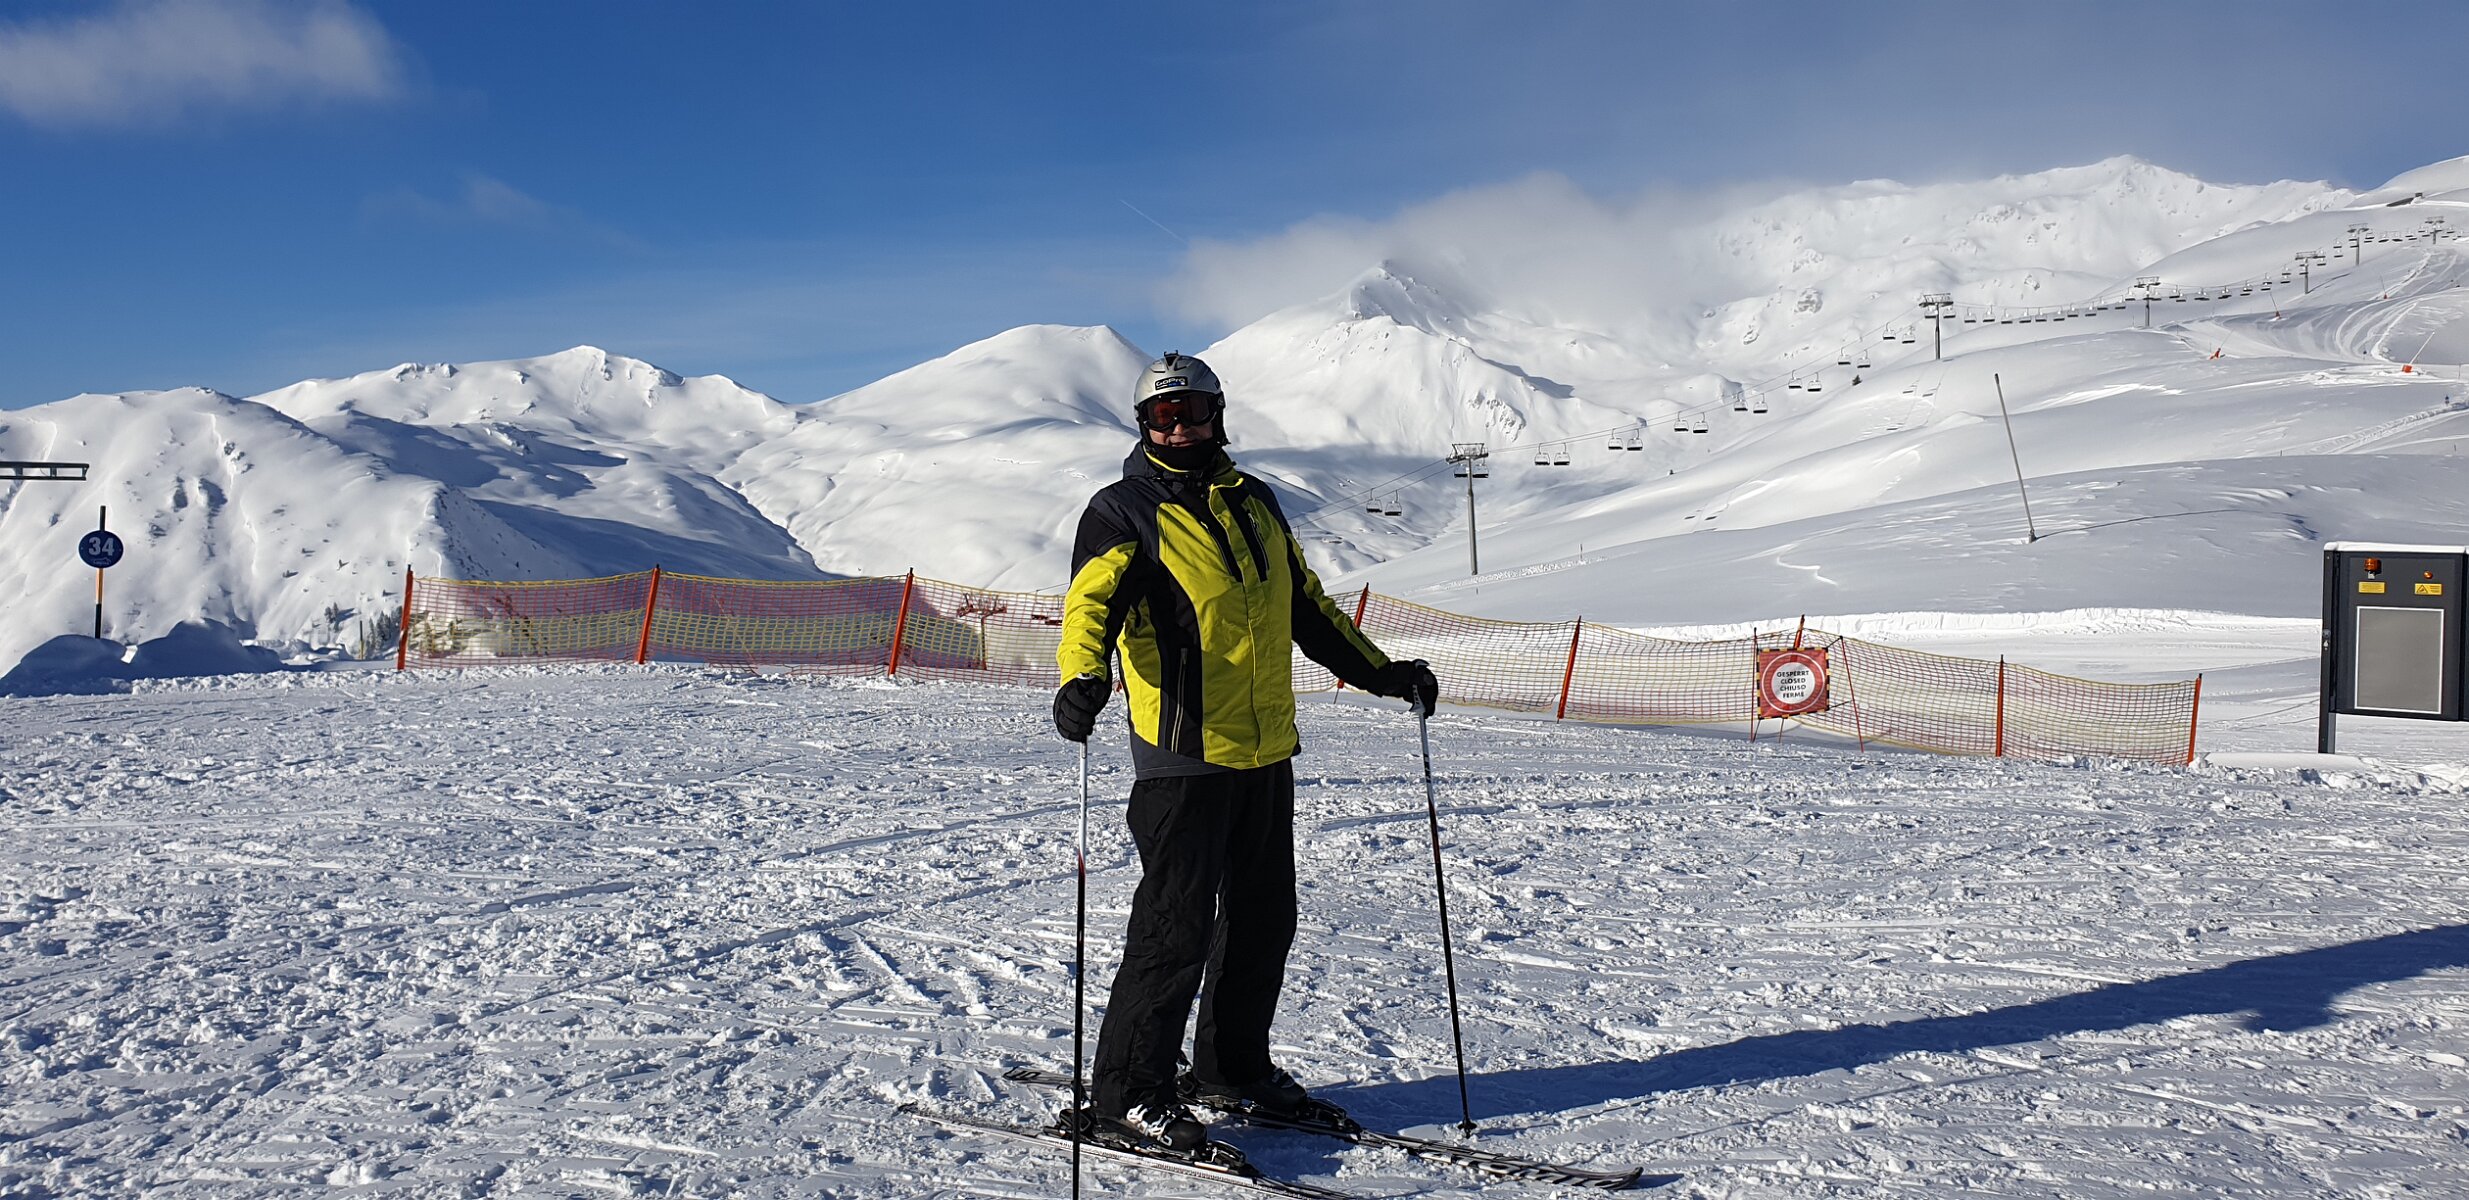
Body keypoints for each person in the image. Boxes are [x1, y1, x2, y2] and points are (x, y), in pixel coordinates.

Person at [1051, 351, 1439, 1152]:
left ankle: (1230, 1068)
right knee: (1174, 929)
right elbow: (1089, 607)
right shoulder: (1122, 511)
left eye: (1191, 410)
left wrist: (1381, 673)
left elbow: (1305, 606)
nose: (1179, 426)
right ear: (1143, 425)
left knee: (1263, 920)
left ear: (1217, 414)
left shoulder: (1253, 500)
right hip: (1183, 751)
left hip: (1264, 749)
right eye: (1162, 416)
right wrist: (1082, 677)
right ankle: (1129, 1092)